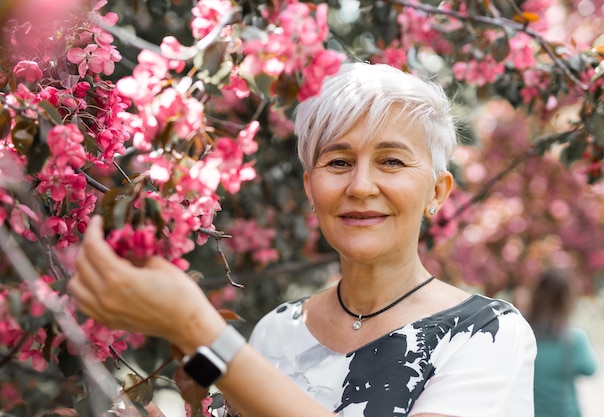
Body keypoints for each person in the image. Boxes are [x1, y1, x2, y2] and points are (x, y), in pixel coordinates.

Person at [69, 62, 537, 417]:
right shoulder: (279, 329)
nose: (360, 186)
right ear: (311, 188)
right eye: (338, 162)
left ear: (437, 192)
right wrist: (192, 350)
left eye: (391, 162)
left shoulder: (487, 333)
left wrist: (194, 327)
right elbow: (237, 391)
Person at [527, 269, 597, 417]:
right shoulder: (574, 339)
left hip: (528, 411)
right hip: (563, 412)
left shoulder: (521, 332)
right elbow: (590, 368)